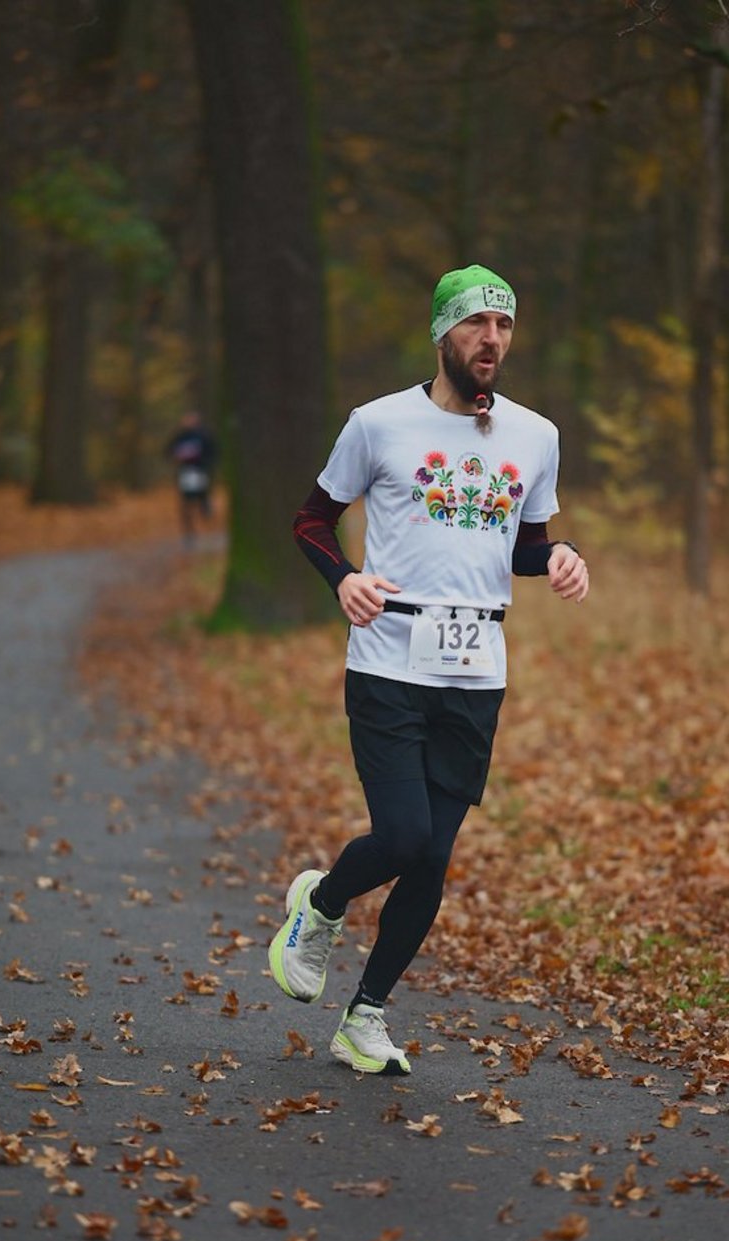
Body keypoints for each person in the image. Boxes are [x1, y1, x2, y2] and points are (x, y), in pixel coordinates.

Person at [268, 264, 589, 1075]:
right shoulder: (378, 425)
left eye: (505, 325)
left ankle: (365, 1015)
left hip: (478, 668)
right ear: (443, 332)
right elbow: (311, 521)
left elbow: (523, 544)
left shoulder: (536, 436)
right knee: (405, 833)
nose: (493, 339)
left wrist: (560, 557)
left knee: (435, 855)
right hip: (387, 660)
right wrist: (345, 577)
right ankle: (322, 902)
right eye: (478, 323)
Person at [166, 411, 217, 543]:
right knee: (186, 503)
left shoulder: (203, 435)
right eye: (186, 419)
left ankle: (206, 509)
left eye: (191, 419)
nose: (188, 422)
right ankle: (189, 533)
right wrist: (176, 457)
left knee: (202, 496)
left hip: (200, 470)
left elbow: (214, 451)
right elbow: (168, 451)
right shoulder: (180, 437)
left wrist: (206, 464)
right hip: (185, 472)